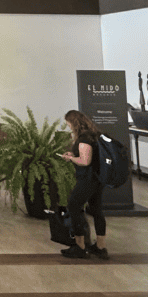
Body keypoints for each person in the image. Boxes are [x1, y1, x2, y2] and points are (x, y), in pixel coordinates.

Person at [58, 110, 109, 260]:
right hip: (98, 179)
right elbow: (90, 158)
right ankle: (100, 246)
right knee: (96, 210)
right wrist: (74, 156)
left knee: (73, 206)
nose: (67, 126)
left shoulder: (84, 139)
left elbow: (85, 161)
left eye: (68, 123)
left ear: (73, 123)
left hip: (87, 179)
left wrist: (71, 159)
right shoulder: (95, 135)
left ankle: (80, 246)